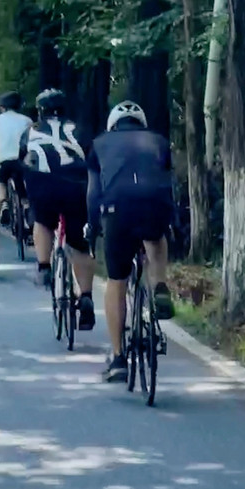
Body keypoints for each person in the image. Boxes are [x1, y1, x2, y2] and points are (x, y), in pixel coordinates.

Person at [86, 99, 176, 384]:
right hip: (154, 205)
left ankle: (117, 358)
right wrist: (174, 221)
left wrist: (93, 226)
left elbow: (93, 193)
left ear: (113, 124)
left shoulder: (99, 144)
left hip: (116, 210)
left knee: (116, 281)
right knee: (156, 237)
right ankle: (159, 284)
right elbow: (166, 182)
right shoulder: (159, 142)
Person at [19, 88, 96, 330]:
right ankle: (86, 297)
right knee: (80, 244)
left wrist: (25, 195)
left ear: (40, 110)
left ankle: (44, 266)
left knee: (43, 222)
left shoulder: (30, 131)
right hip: (76, 187)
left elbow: (23, 161)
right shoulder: (80, 129)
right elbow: (93, 162)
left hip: (44, 186)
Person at [0, 91, 31, 228]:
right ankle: (26, 206)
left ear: (2, 107)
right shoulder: (27, 121)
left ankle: (4, 202)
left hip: (4, 160)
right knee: (24, 186)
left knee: (1, 181)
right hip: (22, 160)